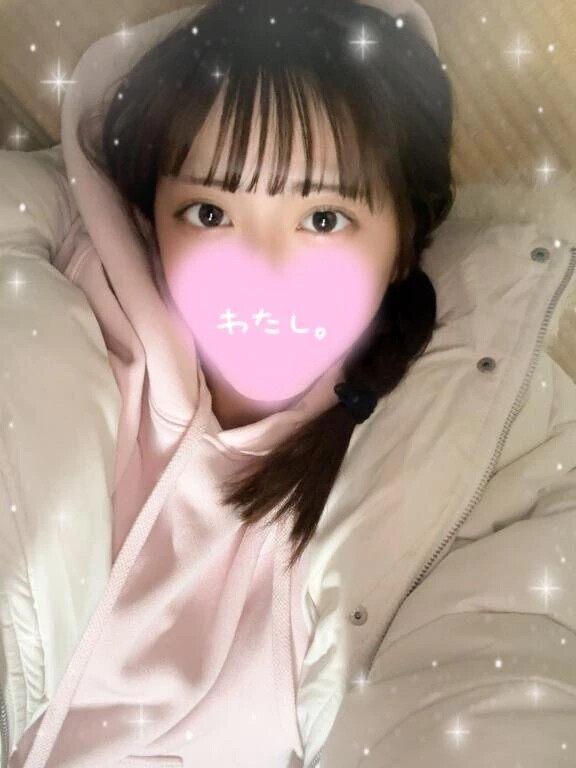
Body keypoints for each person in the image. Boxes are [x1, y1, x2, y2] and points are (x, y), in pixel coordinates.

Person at [1, 0, 576, 766]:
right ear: (150, 220)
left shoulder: (490, 448)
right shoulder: (62, 298)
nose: (261, 273)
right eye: (209, 212)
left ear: (404, 242)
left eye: (324, 219)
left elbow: (501, 661)